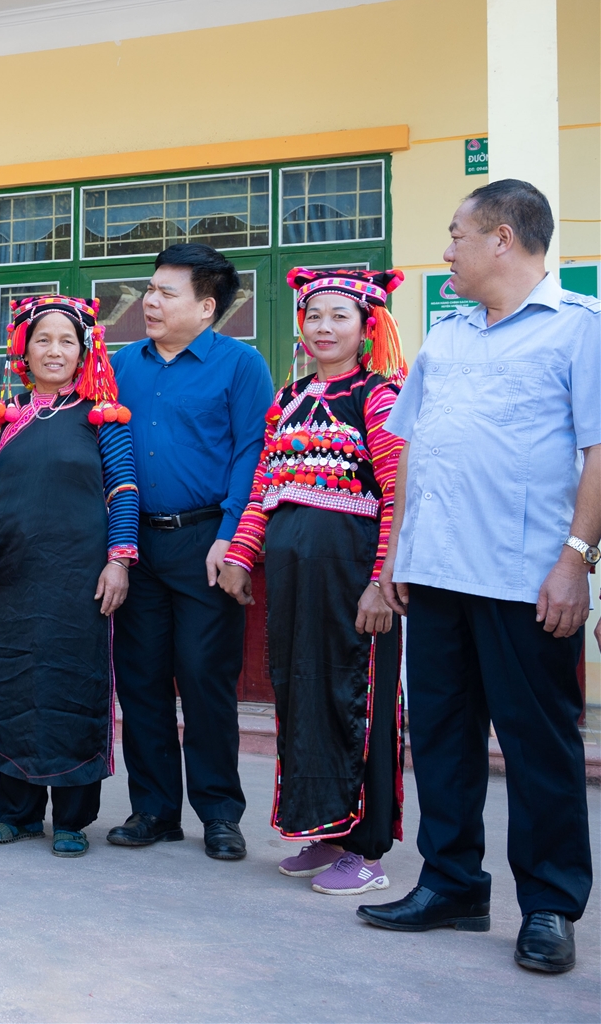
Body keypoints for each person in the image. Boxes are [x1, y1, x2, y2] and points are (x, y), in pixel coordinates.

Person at [360, 180, 599, 974]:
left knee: (538, 747)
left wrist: (575, 559)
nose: (446, 251)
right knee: (442, 740)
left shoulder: (578, 333)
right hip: (435, 572)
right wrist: (394, 554)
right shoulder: (448, 337)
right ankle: (453, 883)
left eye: (457, 235)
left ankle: (551, 906)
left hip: (526, 578)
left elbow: (599, 454)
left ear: (502, 238)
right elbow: (414, 455)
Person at [218, 268, 408, 895]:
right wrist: (243, 555)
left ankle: (367, 847)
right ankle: (324, 832)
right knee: (301, 698)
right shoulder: (290, 398)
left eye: (340, 317)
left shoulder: (381, 398)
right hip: (295, 581)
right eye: (315, 315)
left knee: (356, 701)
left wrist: (382, 583)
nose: (324, 327)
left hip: (353, 581)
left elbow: (399, 500)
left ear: (367, 326)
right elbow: (262, 491)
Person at [108, 243, 274, 860]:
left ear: (206, 307)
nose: (149, 301)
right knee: (142, 681)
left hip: (206, 541)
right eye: (149, 290)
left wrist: (233, 537)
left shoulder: (239, 366)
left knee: (207, 681)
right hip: (135, 542)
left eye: (166, 293)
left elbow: (252, 454)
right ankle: (153, 809)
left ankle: (220, 813)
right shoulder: (122, 364)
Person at [0, 295, 139, 858]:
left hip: (80, 577)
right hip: (13, 577)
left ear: (84, 350)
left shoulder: (102, 415)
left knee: (73, 684)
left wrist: (119, 560)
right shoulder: (3, 418)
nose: (54, 350)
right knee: (14, 683)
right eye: (43, 339)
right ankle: (15, 813)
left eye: (67, 340)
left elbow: (123, 488)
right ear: (24, 347)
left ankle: (72, 818)